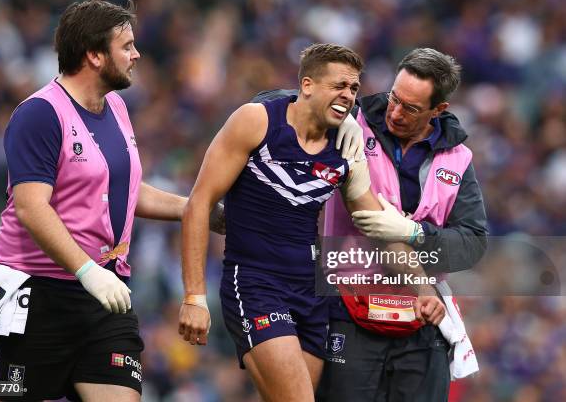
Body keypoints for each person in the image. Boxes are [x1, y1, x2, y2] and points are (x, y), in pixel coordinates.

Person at [0, 0, 213, 401]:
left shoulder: (115, 106)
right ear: (94, 55)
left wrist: (191, 209)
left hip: (107, 297)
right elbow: (30, 207)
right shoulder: (39, 114)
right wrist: (86, 271)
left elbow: (126, 190)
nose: (137, 54)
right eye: (127, 46)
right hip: (38, 297)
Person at [177, 43, 445, 402]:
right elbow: (199, 203)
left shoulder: (347, 148)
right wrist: (195, 296)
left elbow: (378, 229)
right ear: (306, 85)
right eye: (338, 85)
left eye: (353, 88)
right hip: (256, 284)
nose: (348, 96)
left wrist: (424, 288)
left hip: (311, 293)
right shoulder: (257, 121)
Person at [315, 48, 489, 401]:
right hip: (349, 308)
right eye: (394, 97)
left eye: (410, 108)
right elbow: (281, 102)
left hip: (421, 318)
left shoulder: (458, 159)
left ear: (438, 110)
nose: (395, 112)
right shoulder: (350, 121)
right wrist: (338, 117)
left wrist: (416, 234)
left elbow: (473, 244)